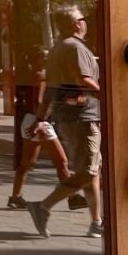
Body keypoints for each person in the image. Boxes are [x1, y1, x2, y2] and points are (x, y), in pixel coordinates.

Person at [26, 6, 102, 238]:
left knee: (90, 170)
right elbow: (84, 80)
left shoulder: (57, 48)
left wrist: (41, 117)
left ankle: (96, 222)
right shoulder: (75, 48)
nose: (85, 21)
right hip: (84, 117)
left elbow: (50, 89)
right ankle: (43, 206)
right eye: (82, 18)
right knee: (89, 170)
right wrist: (108, 92)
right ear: (75, 24)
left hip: (68, 118)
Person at [7, 46, 77, 209]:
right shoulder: (43, 76)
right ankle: (72, 197)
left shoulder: (36, 75)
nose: (47, 60)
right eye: (44, 58)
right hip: (40, 122)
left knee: (27, 163)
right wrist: (41, 120)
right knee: (62, 162)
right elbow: (40, 101)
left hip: (31, 119)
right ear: (37, 61)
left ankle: (15, 196)